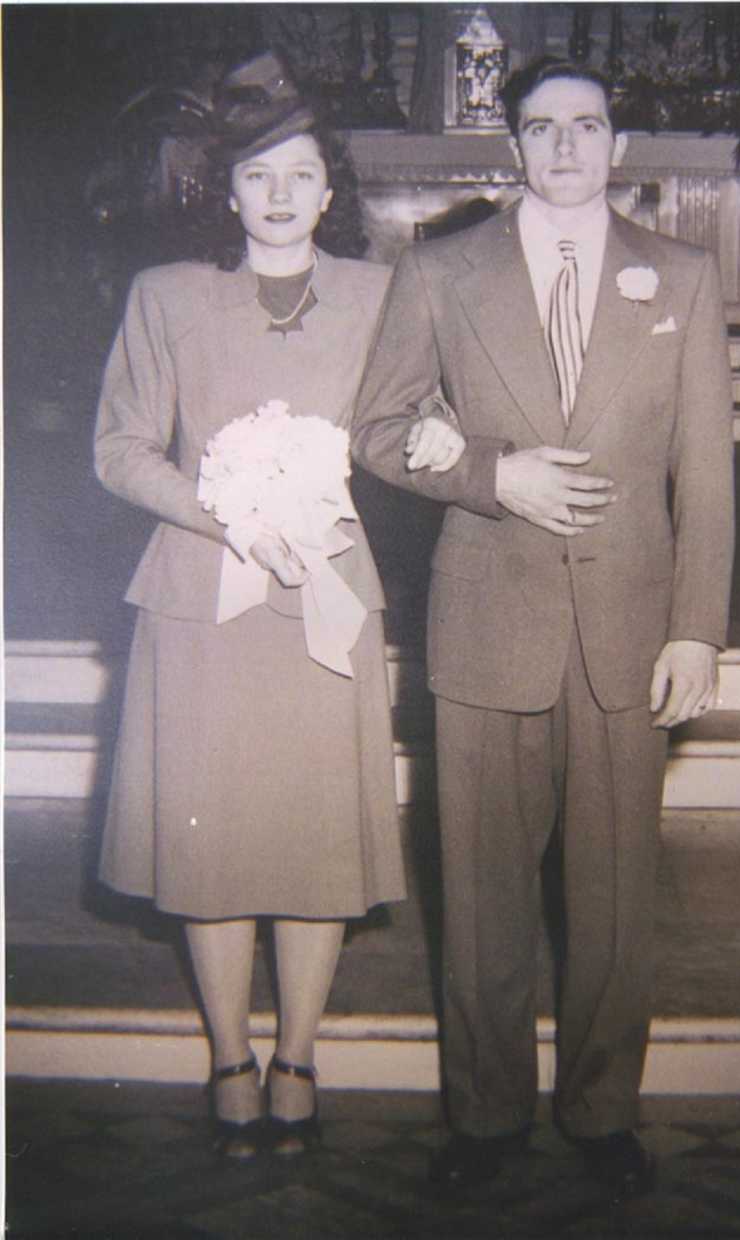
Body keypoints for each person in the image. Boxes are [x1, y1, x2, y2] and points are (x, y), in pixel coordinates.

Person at [352, 57, 735, 1197]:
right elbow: (377, 430)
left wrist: (698, 631)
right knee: (479, 894)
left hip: (628, 626)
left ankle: (604, 1106)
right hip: (487, 618)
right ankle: (483, 1115)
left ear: (618, 145)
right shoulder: (440, 270)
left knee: (615, 900)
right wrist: (489, 474)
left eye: (587, 125)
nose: (565, 146)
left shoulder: (684, 275)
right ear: (511, 148)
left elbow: (705, 475)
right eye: (540, 128)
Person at [94, 90, 461, 1160]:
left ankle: (298, 1050)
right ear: (229, 189)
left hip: (327, 598)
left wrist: (435, 434)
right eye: (258, 175)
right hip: (204, 595)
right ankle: (225, 1051)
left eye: (301, 174)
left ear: (331, 189)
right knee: (211, 839)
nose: (281, 195)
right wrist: (230, 516)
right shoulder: (165, 296)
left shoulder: (384, 293)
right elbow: (120, 449)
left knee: (312, 836)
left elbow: (410, 416)